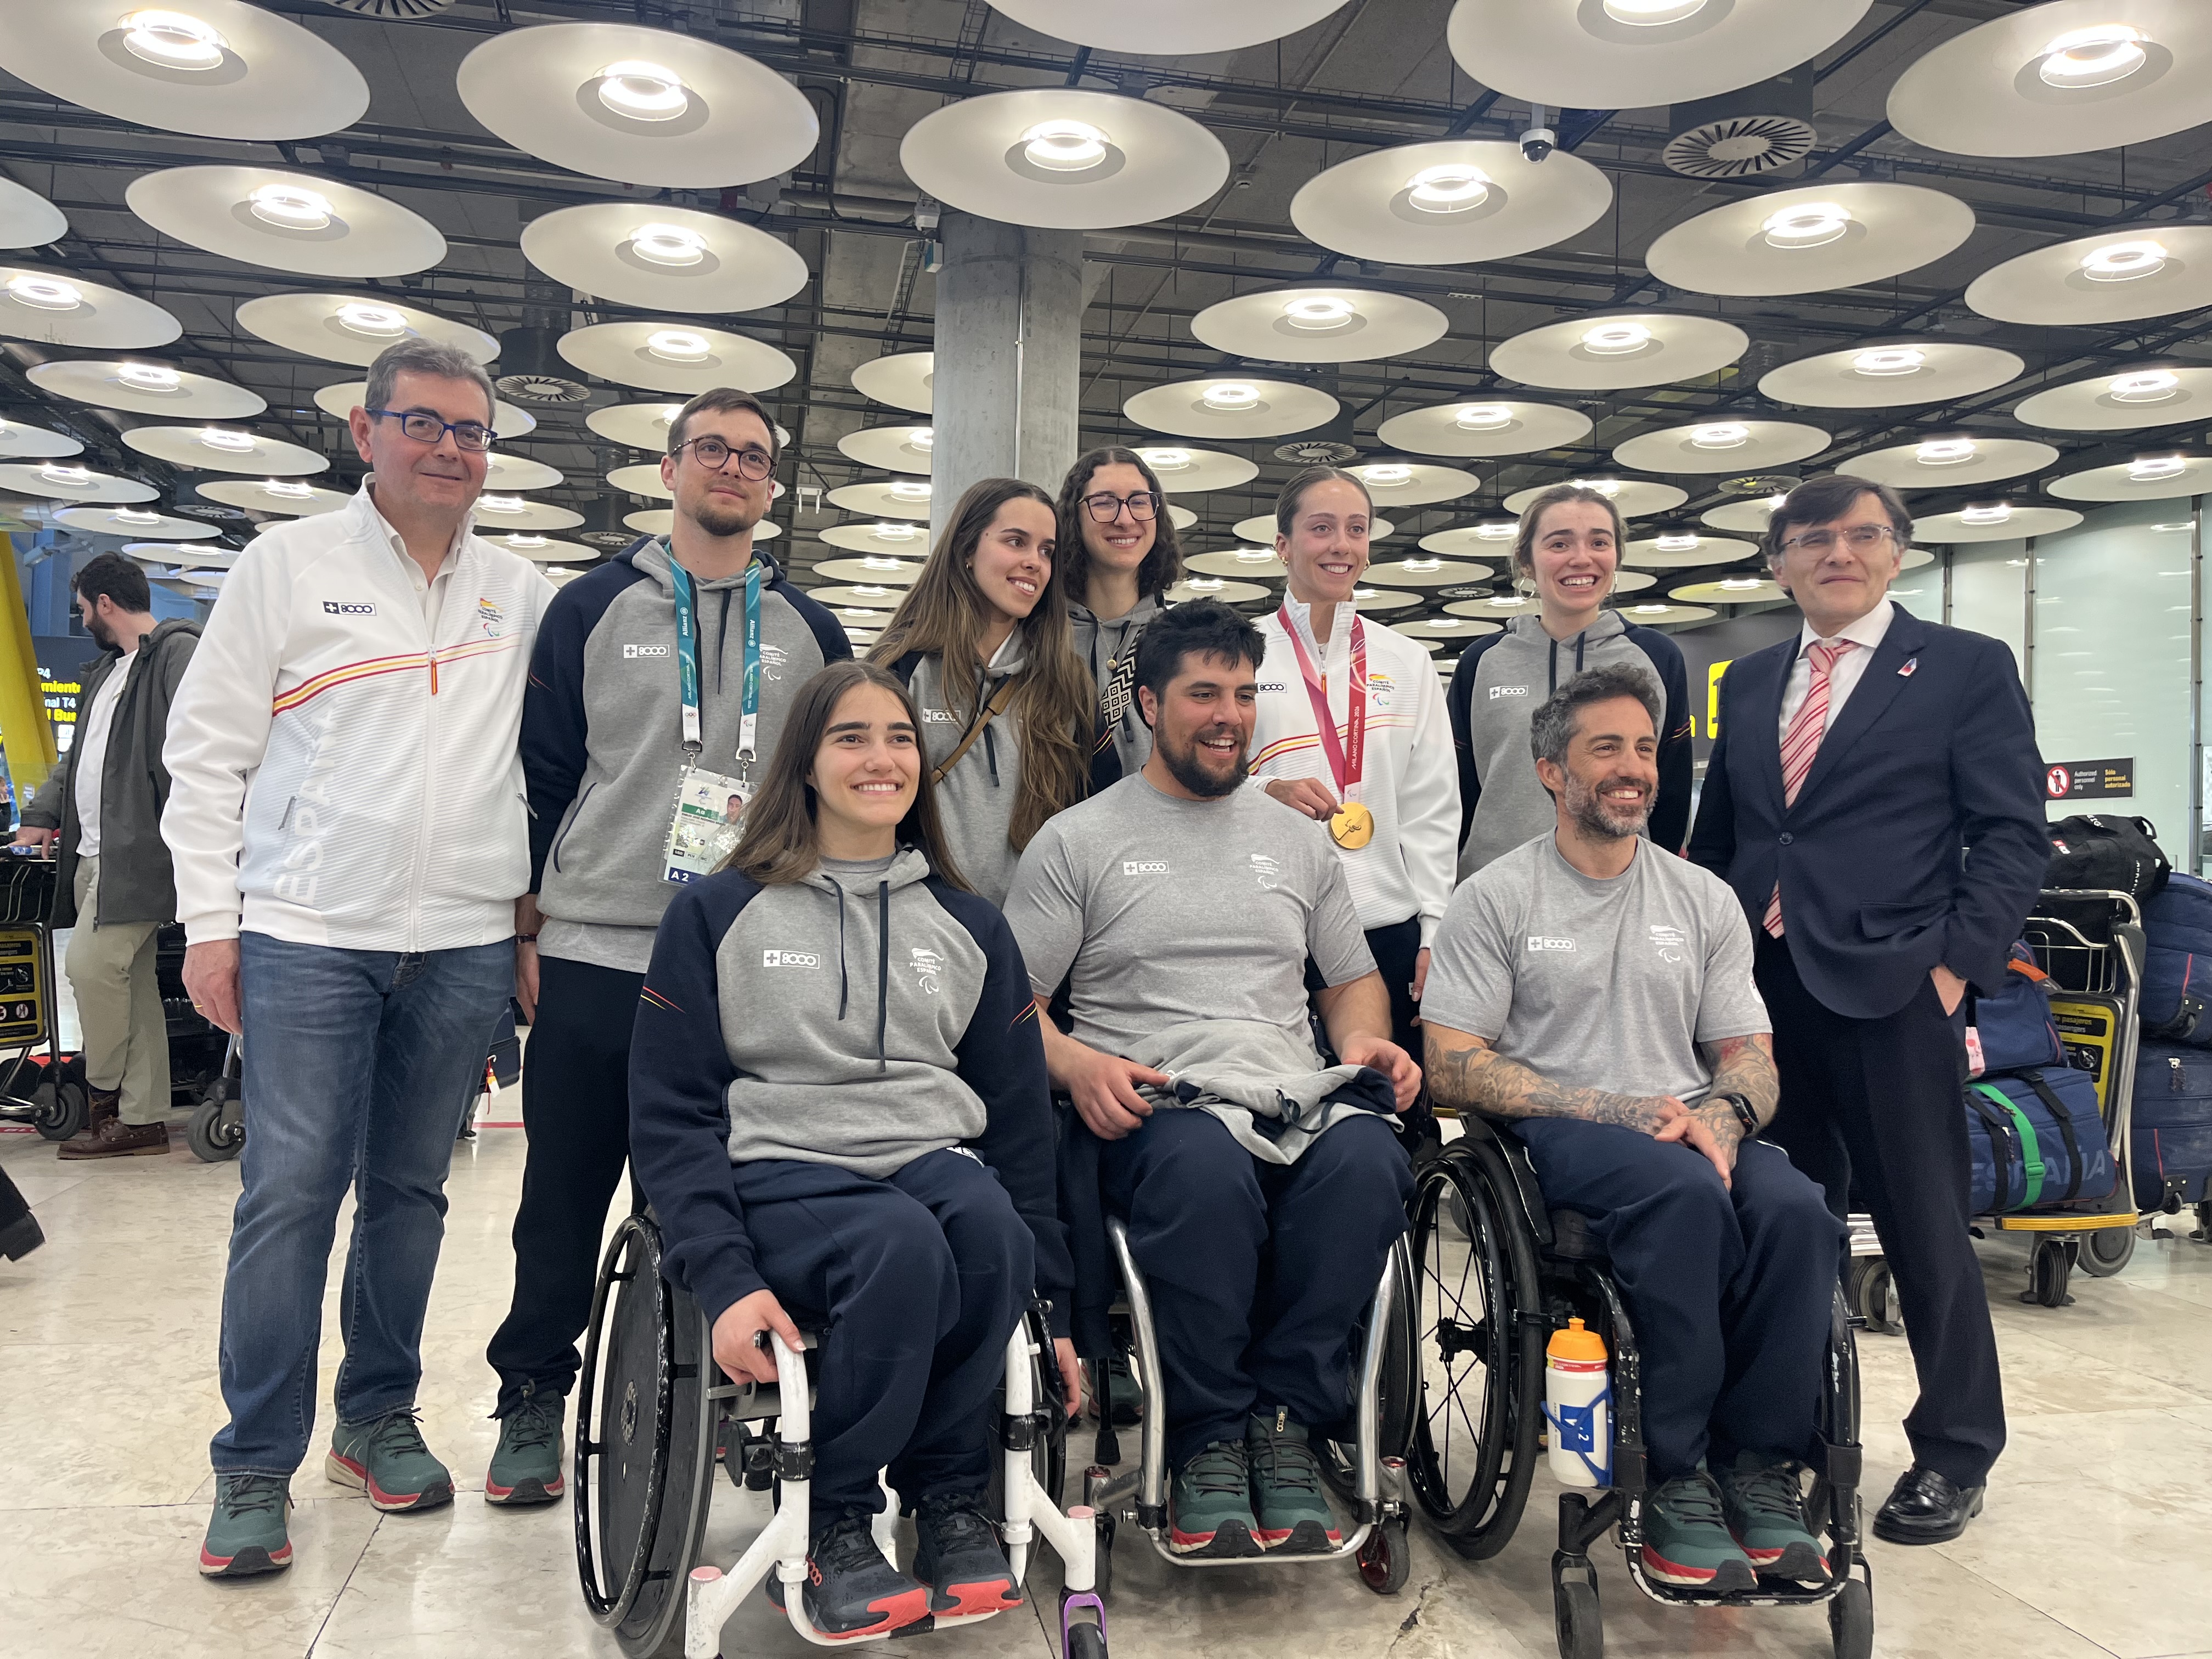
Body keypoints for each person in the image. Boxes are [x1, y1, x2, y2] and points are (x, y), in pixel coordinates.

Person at [164, 338, 554, 1577]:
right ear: (364, 428)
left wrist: (529, 922)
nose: (450, 447)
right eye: (424, 423)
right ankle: (252, 1465)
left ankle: (376, 1415)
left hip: (463, 942)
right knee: (287, 1198)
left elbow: (546, 773)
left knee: (412, 1196)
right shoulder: (288, 569)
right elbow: (209, 754)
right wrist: (209, 922)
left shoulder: (521, 592)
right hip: (308, 935)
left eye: (471, 432)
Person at [629, 658, 1077, 1640]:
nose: (881, 757)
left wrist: (1057, 1312)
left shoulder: (967, 921)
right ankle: (834, 1511)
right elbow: (670, 1111)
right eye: (851, 737)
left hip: (926, 1154)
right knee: (899, 1245)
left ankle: (949, 1494)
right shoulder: (716, 912)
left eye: (899, 737)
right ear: (804, 761)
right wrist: (722, 1272)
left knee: (990, 1232)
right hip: (781, 1170)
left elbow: (1016, 1121)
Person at [483, 387, 848, 1505]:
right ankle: (534, 1393)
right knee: (565, 1186)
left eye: (753, 455)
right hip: (599, 944)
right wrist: (527, 921)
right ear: (670, 466)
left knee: (714, 1193)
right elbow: (543, 772)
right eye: (712, 450)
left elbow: (830, 792)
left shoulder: (814, 630)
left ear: (772, 485)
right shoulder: (592, 605)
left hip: (748, 956)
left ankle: (703, 1394)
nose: (731, 469)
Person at [1002, 600, 1419, 1559]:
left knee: (1368, 1162)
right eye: (1202, 692)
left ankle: (1284, 1422)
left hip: (1292, 1089)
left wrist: (1365, 1044)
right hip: (1161, 1098)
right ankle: (1205, 1438)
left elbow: (1349, 976)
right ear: (1147, 702)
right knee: (1204, 1173)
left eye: (1241, 691)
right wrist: (1074, 1061)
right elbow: (1010, 1003)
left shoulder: (1295, 839)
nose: (1227, 713)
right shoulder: (1078, 839)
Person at [1422, 665, 1843, 1591]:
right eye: (1604, 746)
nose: (1631, 768)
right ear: (1548, 769)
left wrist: (1726, 1115)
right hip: (1558, 1126)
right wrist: (1614, 1108)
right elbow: (1452, 1061)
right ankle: (1674, 1474)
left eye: (1645, 748)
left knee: (1799, 1210)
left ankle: (1759, 1467)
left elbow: (1748, 1050)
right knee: (1682, 1195)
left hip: (1692, 1124)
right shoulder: (1496, 896)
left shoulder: (1701, 898)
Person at [1689, 473, 2047, 1545]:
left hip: (1896, 991)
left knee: (1923, 1224)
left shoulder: (1964, 669)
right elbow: (1726, 841)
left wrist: (1953, 968)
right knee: (1781, 1223)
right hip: (1764, 996)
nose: (1835, 553)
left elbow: (2015, 833)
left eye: (1859, 536)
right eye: (1811, 540)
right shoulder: (1748, 683)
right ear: (1780, 563)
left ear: (1897, 553)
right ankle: (1785, 1436)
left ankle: (1954, 1450)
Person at [1246, 466, 1455, 1146]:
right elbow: (1197, 780)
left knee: (1387, 1122)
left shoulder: (1406, 659)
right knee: (1277, 1118)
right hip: (1272, 924)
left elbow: (1432, 807)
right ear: (1283, 545)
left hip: (1383, 928)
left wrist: (1432, 927)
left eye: (1356, 529)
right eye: (1321, 528)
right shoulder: (1240, 653)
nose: (1341, 544)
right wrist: (1264, 789)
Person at [14, 553, 199, 1159]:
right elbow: (76, 764)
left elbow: (201, 748)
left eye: (83, 607)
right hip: (93, 855)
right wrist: (42, 814)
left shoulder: (176, 654)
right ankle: (143, 1119)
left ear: (105, 604)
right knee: (134, 981)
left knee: (90, 967)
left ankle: (102, 1093)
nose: (82, 617)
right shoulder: (106, 672)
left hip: (142, 853)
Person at [1448, 483, 1693, 877]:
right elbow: (1458, 790)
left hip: (1620, 887)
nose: (1582, 559)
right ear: (1526, 562)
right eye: (1559, 545)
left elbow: (1672, 787)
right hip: (1497, 886)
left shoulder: (1658, 657)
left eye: (1599, 542)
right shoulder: (1482, 663)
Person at [869, 478, 1091, 907]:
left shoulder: (1067, 683)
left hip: (1027, 931)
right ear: (968, 548)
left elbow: (1086, 815)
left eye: (1047, 551)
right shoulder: (899, 668)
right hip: (913, 921)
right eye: (1016, 542)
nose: (1035, 562)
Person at [1057, 445, 1184, 791]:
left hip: (1157, 836)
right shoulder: (1041, 637)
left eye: (1139, 501)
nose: (1125, 519)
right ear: (1074, 516)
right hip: (1050, 837)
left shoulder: (1181, 641)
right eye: (1104, 502)